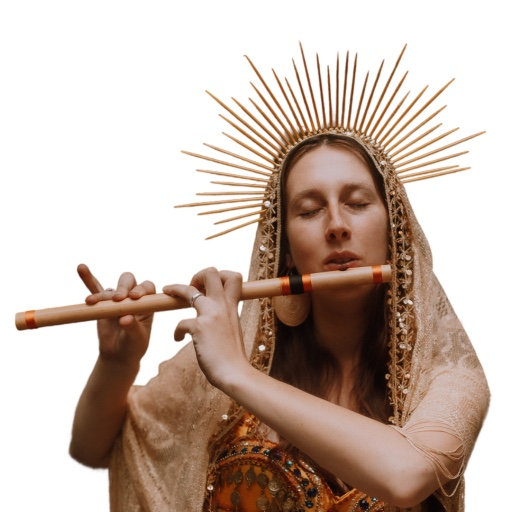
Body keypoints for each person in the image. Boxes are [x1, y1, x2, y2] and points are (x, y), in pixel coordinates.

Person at [69, 46, 489, 511]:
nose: (336, 225)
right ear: (284, 250)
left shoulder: (449, 377)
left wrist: (236, 374)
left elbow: (407, 475)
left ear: (396, 234)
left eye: (357, 203)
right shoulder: (231, 351)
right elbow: (92, 447)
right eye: (309, 210)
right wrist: (117, 362)